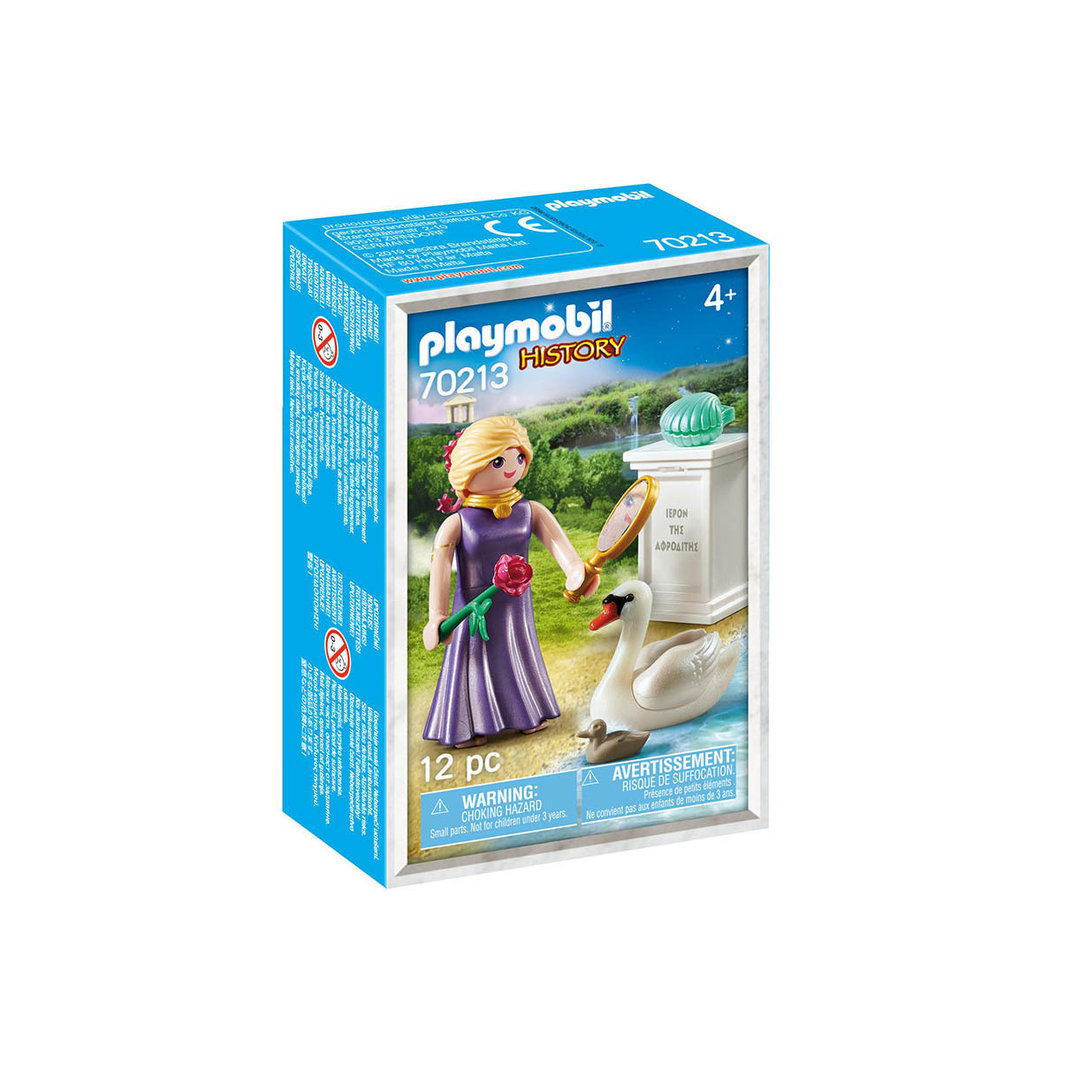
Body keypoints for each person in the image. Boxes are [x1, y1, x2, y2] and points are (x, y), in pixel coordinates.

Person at [422, 416, 599, 748]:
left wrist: (577, 575)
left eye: (518, 457)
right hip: (474, 605)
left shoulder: (531, 511)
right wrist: (437, 617)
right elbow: (441, 567)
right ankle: (470, 725)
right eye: (497, 461)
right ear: (470, 466)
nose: (511, 468)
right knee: (475, 659)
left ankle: (524, 714)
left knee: (517, 652)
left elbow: (562, 550)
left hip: (516, 604)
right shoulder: (457, 523)